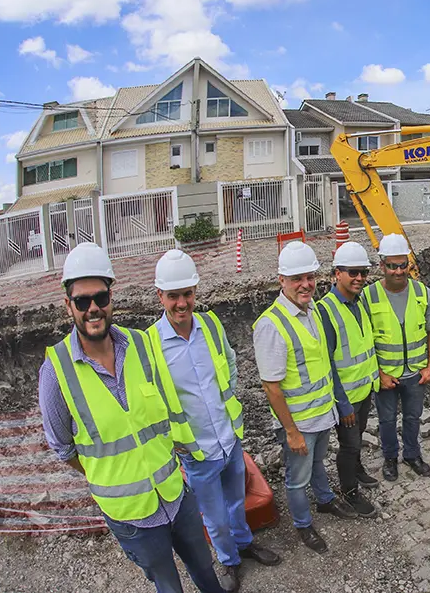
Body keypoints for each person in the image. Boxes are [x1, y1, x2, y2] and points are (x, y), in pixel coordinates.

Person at [38, 243, 224, 593]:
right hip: (131, 516)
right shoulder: (56, 373)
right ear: (68, 306)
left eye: (101, 297)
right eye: (82, 301)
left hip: (175, 495)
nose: (93, 308)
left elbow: (166, 412)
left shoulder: (140, 345)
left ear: (112, 298)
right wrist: (110, 476)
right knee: (168, 585)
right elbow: (64, 449)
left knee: (204, 567)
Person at [148, 250, 280, 591]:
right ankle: (228, 560)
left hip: (228, 437)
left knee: (236, 502)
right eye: (173, 296)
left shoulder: (209, 324)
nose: (182, 303)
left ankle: (245, 544)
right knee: (216, 517)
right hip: (197, 451)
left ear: (195, 291)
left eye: (187, 294)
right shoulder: (151, 345)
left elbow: (230, 366)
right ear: (160, 296)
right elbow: (152, 402)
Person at [253, 242, 357, 554]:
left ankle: (324, 500)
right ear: (281, 280)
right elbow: (271, 387)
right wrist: (291, 431)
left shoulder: (311, 311)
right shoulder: (272, 325)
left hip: (322, 415)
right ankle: (302, 524)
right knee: (297, 479)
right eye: (297, 278)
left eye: (310, 277)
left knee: (317, 465)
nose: (306, 284)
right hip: (298, 423)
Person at [365, 233, 430, 482]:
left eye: (402, 265)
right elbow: (363, 342)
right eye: (392, 266)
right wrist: (378, 374)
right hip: (386, 375)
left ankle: (412, 454)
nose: (398, 271)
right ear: (382, 265)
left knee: (412, 417)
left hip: (416, 374)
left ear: (408, 264)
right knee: (386, 420)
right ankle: (390, 458)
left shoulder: (422, 292)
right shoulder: (368, 297)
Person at [315, 242, 380, 519]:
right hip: (346, 398)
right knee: (350, 444)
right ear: (336, 274)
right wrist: (342, 404)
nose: (359, 278)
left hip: (364, 389)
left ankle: (357, 469)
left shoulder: (359, 300)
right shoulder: (326, 310)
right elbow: (328, 363)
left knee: (357, 439)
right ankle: (349, 490)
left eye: (363, 273)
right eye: (352, 273)